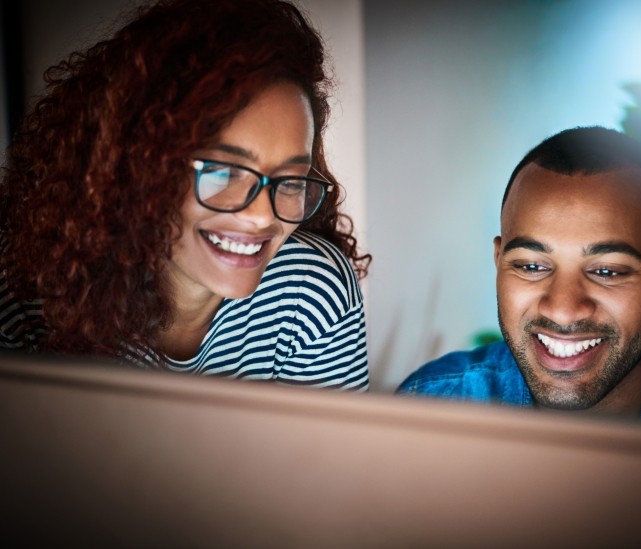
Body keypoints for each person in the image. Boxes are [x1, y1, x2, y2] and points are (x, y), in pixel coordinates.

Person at [0, 0, 370, 390]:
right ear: (137, 166)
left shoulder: (309, 296)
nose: (263, 216)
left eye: (291, 180)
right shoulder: (21, 298)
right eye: (223, 171)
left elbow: (326, 453)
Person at [398, 126, 641, 426]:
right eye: (530, 266)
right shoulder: (425, 412)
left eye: (606, 271)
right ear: (499, 262)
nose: (562, 310)